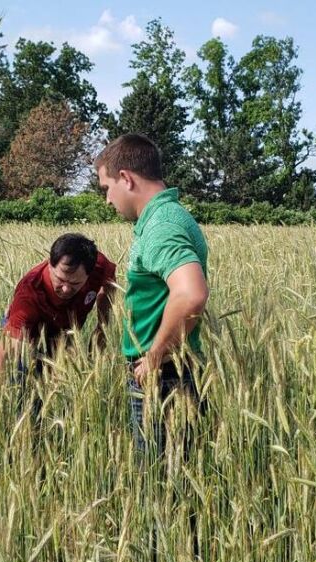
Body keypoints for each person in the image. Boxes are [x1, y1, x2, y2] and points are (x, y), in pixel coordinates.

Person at [95, 133, 209, 454]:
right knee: (176, 473)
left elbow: (191, 294)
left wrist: (154, 357)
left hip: (164, 372)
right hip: (171, 366)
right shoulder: (168, 216)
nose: (107, 200)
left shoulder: (161, 225)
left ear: (126, 179)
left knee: (157, 481)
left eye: (107, 189)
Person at [0, 233, 116, 415]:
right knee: (22, 385)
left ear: (89, 273)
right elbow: (4, 353)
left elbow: (109, 287)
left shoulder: (98, 264)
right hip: (28, 333)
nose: (65, 289)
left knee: (63, 391)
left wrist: (102, 327)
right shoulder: (29, 295)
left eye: (75, 283)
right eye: (60, 280)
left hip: (66, 331)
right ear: (50, 265)